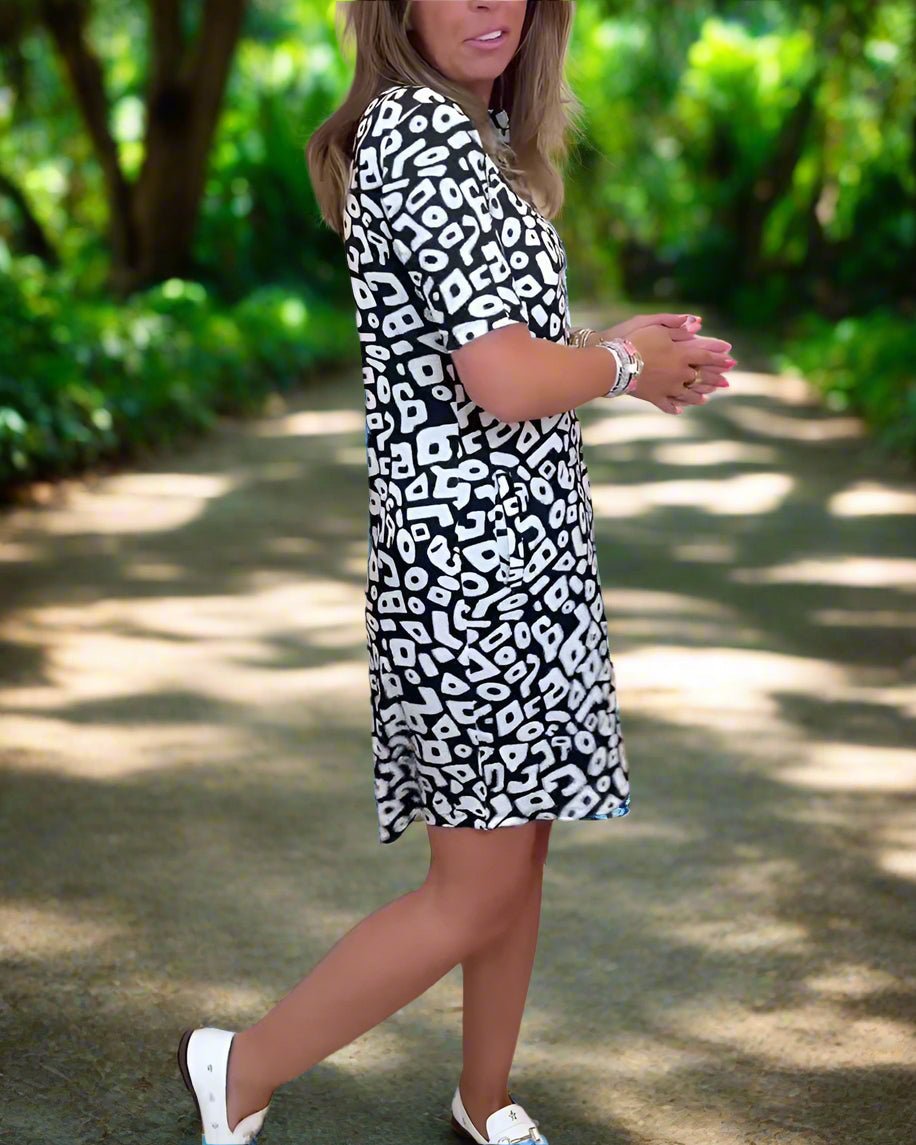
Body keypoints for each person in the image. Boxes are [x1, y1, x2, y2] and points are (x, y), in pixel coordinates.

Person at [176, 2, 735, 1142]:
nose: (489, 2)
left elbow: (513, 347)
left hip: (528, 554)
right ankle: (241, 1065)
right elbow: (502, 379)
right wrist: (623, 363)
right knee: (473, 886)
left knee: (519, 853)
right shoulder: (417, 132)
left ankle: (485, 1098)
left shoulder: (481, 138)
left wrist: (618, 347)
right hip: (465, 572)